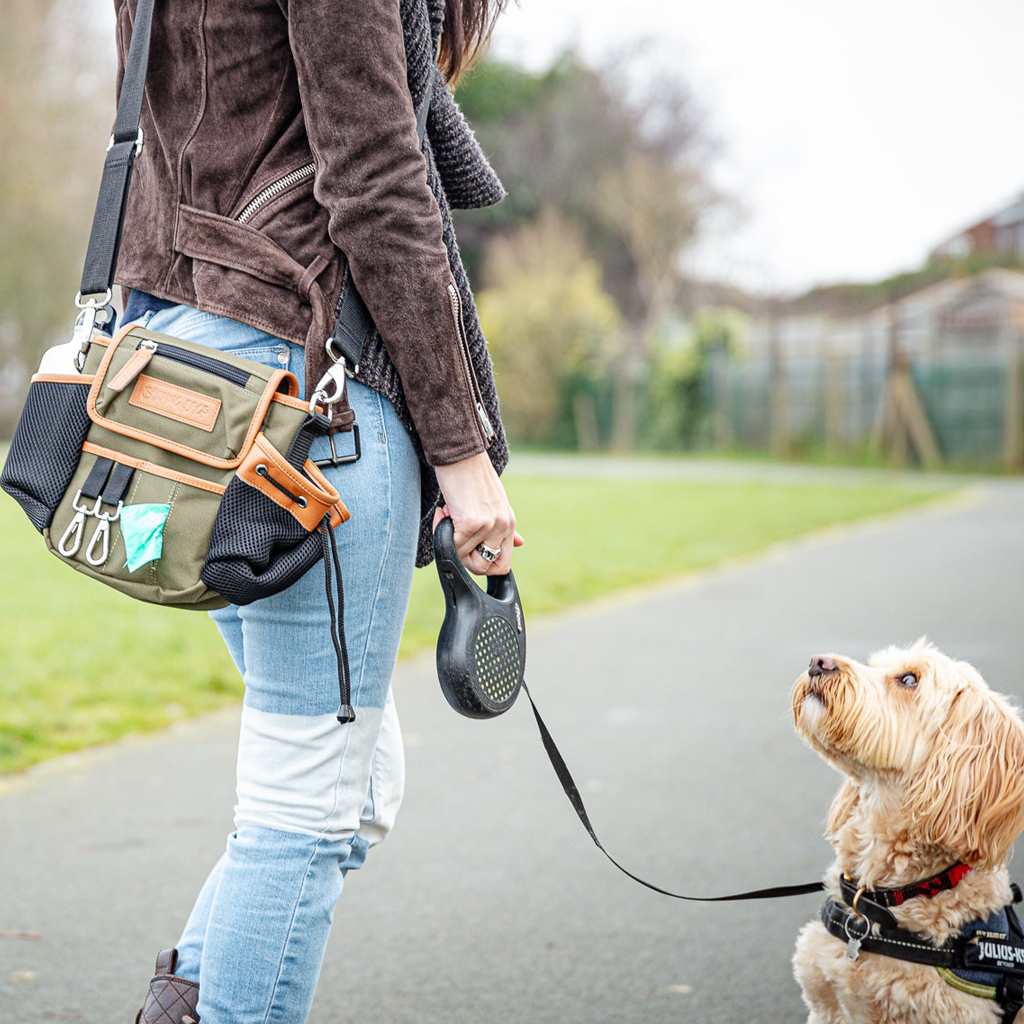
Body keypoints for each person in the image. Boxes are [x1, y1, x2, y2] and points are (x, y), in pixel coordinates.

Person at [114, 0, 517, 1021]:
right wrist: (460, 452)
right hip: (303, 394)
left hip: (188, 382)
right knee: (304, 805)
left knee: (350, 783)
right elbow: (378, 184)